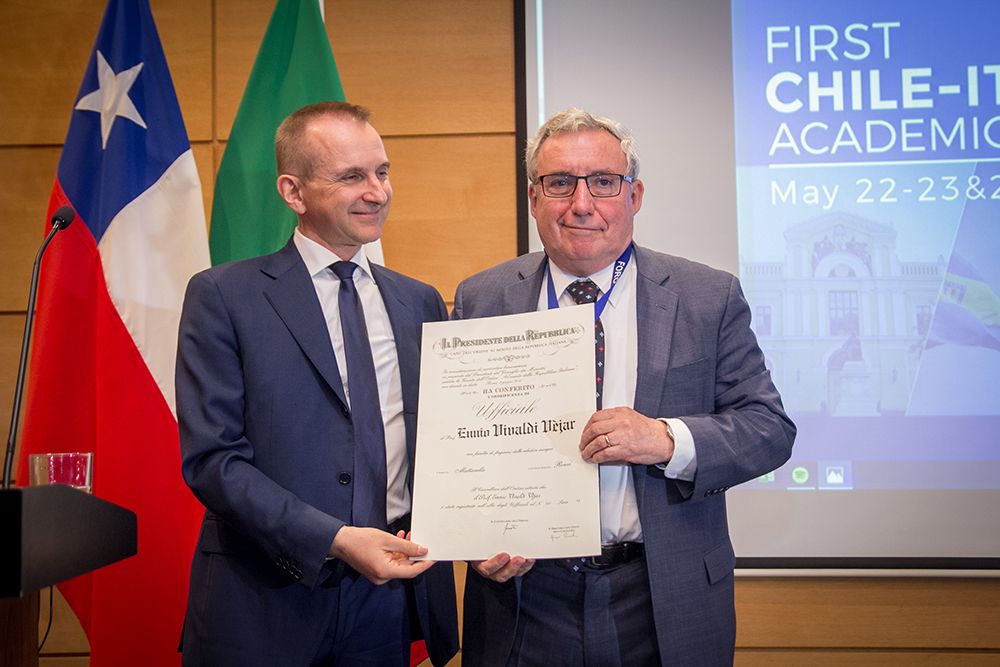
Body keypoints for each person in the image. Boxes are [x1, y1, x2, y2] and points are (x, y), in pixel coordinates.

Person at [454, 108, 796, 666]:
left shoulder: (707, 297)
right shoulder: (482, 299)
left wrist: (666, 440)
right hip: (524, 597)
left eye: (603, 183)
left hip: (660, 593)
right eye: (560, 183)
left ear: (634, 195)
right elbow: (459, 444)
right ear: (534, 198)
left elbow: (769, 429)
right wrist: (473, 538)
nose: (581, 203)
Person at [176, 101, 459, 666]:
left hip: (388, 598)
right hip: (264, 602)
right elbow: (213, 461)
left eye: (382, 171)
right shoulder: (224, 296)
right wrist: (335, 539)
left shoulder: (419, 301)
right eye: (352, 176)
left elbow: (448, 446)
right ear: (293, 192)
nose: (377, 192)